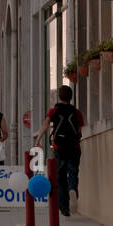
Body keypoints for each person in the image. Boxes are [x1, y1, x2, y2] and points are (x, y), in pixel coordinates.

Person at [34, 85, 84, 216]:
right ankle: (72, 189)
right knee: (73, 172)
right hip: (74, 147)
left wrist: (38, 139)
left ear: (59, 97)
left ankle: (64, 207)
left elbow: (45, 125)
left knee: (61, 177)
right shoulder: (76, 112)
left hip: (59, 148)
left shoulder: (53, 111)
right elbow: (79, 130)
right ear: (71, 97)